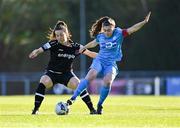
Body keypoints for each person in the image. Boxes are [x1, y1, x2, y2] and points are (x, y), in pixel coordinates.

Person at [67, 12, 151, 114]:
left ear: (114, 27)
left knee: (108, 81)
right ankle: (73, 98)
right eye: (105, 30)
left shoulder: (120, 33)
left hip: (111, 63)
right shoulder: (101, 36)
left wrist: (144, 22)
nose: (107, 32)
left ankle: (100, 105)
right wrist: (84, 47)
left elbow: (132, 29)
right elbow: (94, 43)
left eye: (109, 30)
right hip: (99, 60)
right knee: (91, 75)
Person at [29, 20, 97, 115]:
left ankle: (92, 110)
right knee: (43, 81)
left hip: (67, 74)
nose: (59, 37)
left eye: (61, 34)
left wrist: (105, 57)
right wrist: (35, 52)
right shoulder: (53, 44)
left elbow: (90, 53)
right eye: (57, 35)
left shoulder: (75, 46)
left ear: (67, 33)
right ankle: (35, 110)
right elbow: (40, 49)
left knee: (79, 85)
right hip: (52, 73)